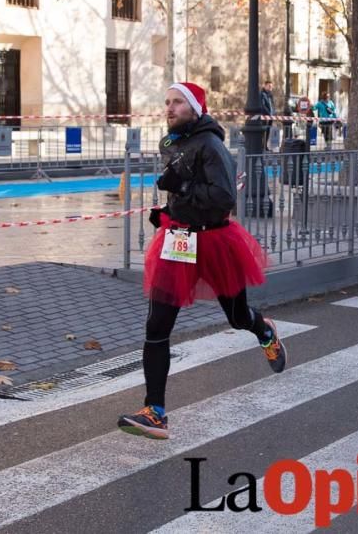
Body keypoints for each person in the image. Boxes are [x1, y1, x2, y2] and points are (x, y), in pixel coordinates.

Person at [117, 82, 287, 440]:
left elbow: (223, 198)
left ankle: (264, 330)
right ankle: (155, 411)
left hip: (214, 241)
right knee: (156, 327)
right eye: (167, 102)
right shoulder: (171, 142)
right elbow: (184, 187)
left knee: (238, 317)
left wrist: (179, 188)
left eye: (177, 102)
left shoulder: (211, 146)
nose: (170, 108)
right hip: (178, 239)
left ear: (195, 107)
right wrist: (170, 209)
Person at [260, 79, 275, 150]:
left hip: (270, 116)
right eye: (269, 86)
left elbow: (272, 105)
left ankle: (265, 146)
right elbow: (262, 105)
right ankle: (262, 145)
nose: (270, 88)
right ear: (265, 86)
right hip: (265, 116)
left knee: (268, 131)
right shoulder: (262, 94)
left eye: (271, 87)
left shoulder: (270, 95)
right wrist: (268, 113)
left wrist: (273, 113)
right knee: (263, 131)